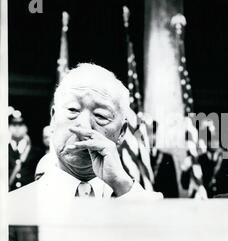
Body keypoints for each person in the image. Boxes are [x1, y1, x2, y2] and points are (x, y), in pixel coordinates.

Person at [10, 63, 163, 200]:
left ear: (122, 132)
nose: (84, 126)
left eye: (101, 116)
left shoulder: (140, 202)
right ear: (54, 118)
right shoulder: (12, 208)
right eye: (72, 110)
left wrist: (123, 185)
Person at [8, 110, 43, 191]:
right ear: (9, 127)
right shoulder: (3, 150)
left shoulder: (36, 151)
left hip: (29, 195)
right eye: (13, 124)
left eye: (20, 124)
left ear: (26, 128)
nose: (17, 128)